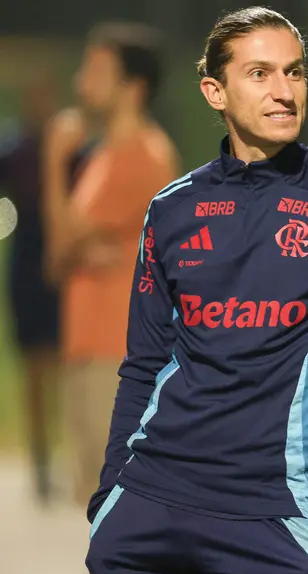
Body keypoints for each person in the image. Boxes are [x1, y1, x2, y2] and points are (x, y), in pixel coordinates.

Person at [84, 7, 308, 574]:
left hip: (268, 523)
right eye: (260, 74)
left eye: (294, 73)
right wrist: (110, 495)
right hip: (149, 507)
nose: (283, 91)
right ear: (214, 92)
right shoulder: (171, 208)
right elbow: (144, 363)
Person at [42, 22, 179, 509]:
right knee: (96, 498)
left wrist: (54, 161)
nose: (84, 78)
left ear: (133, 86)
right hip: (87, 343)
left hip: (116, 351)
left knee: (118, 503)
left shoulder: (143, 156)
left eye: (98, 68)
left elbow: (62, 240)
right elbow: (59, 257)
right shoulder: (102, 156)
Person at [0, 72, 85, 504]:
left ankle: (70, 455)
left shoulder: (74, 151)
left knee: (66, 360)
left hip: (64, 257)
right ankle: (39, 458)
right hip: (27, 255)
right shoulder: (13, 150)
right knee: (33, 362)